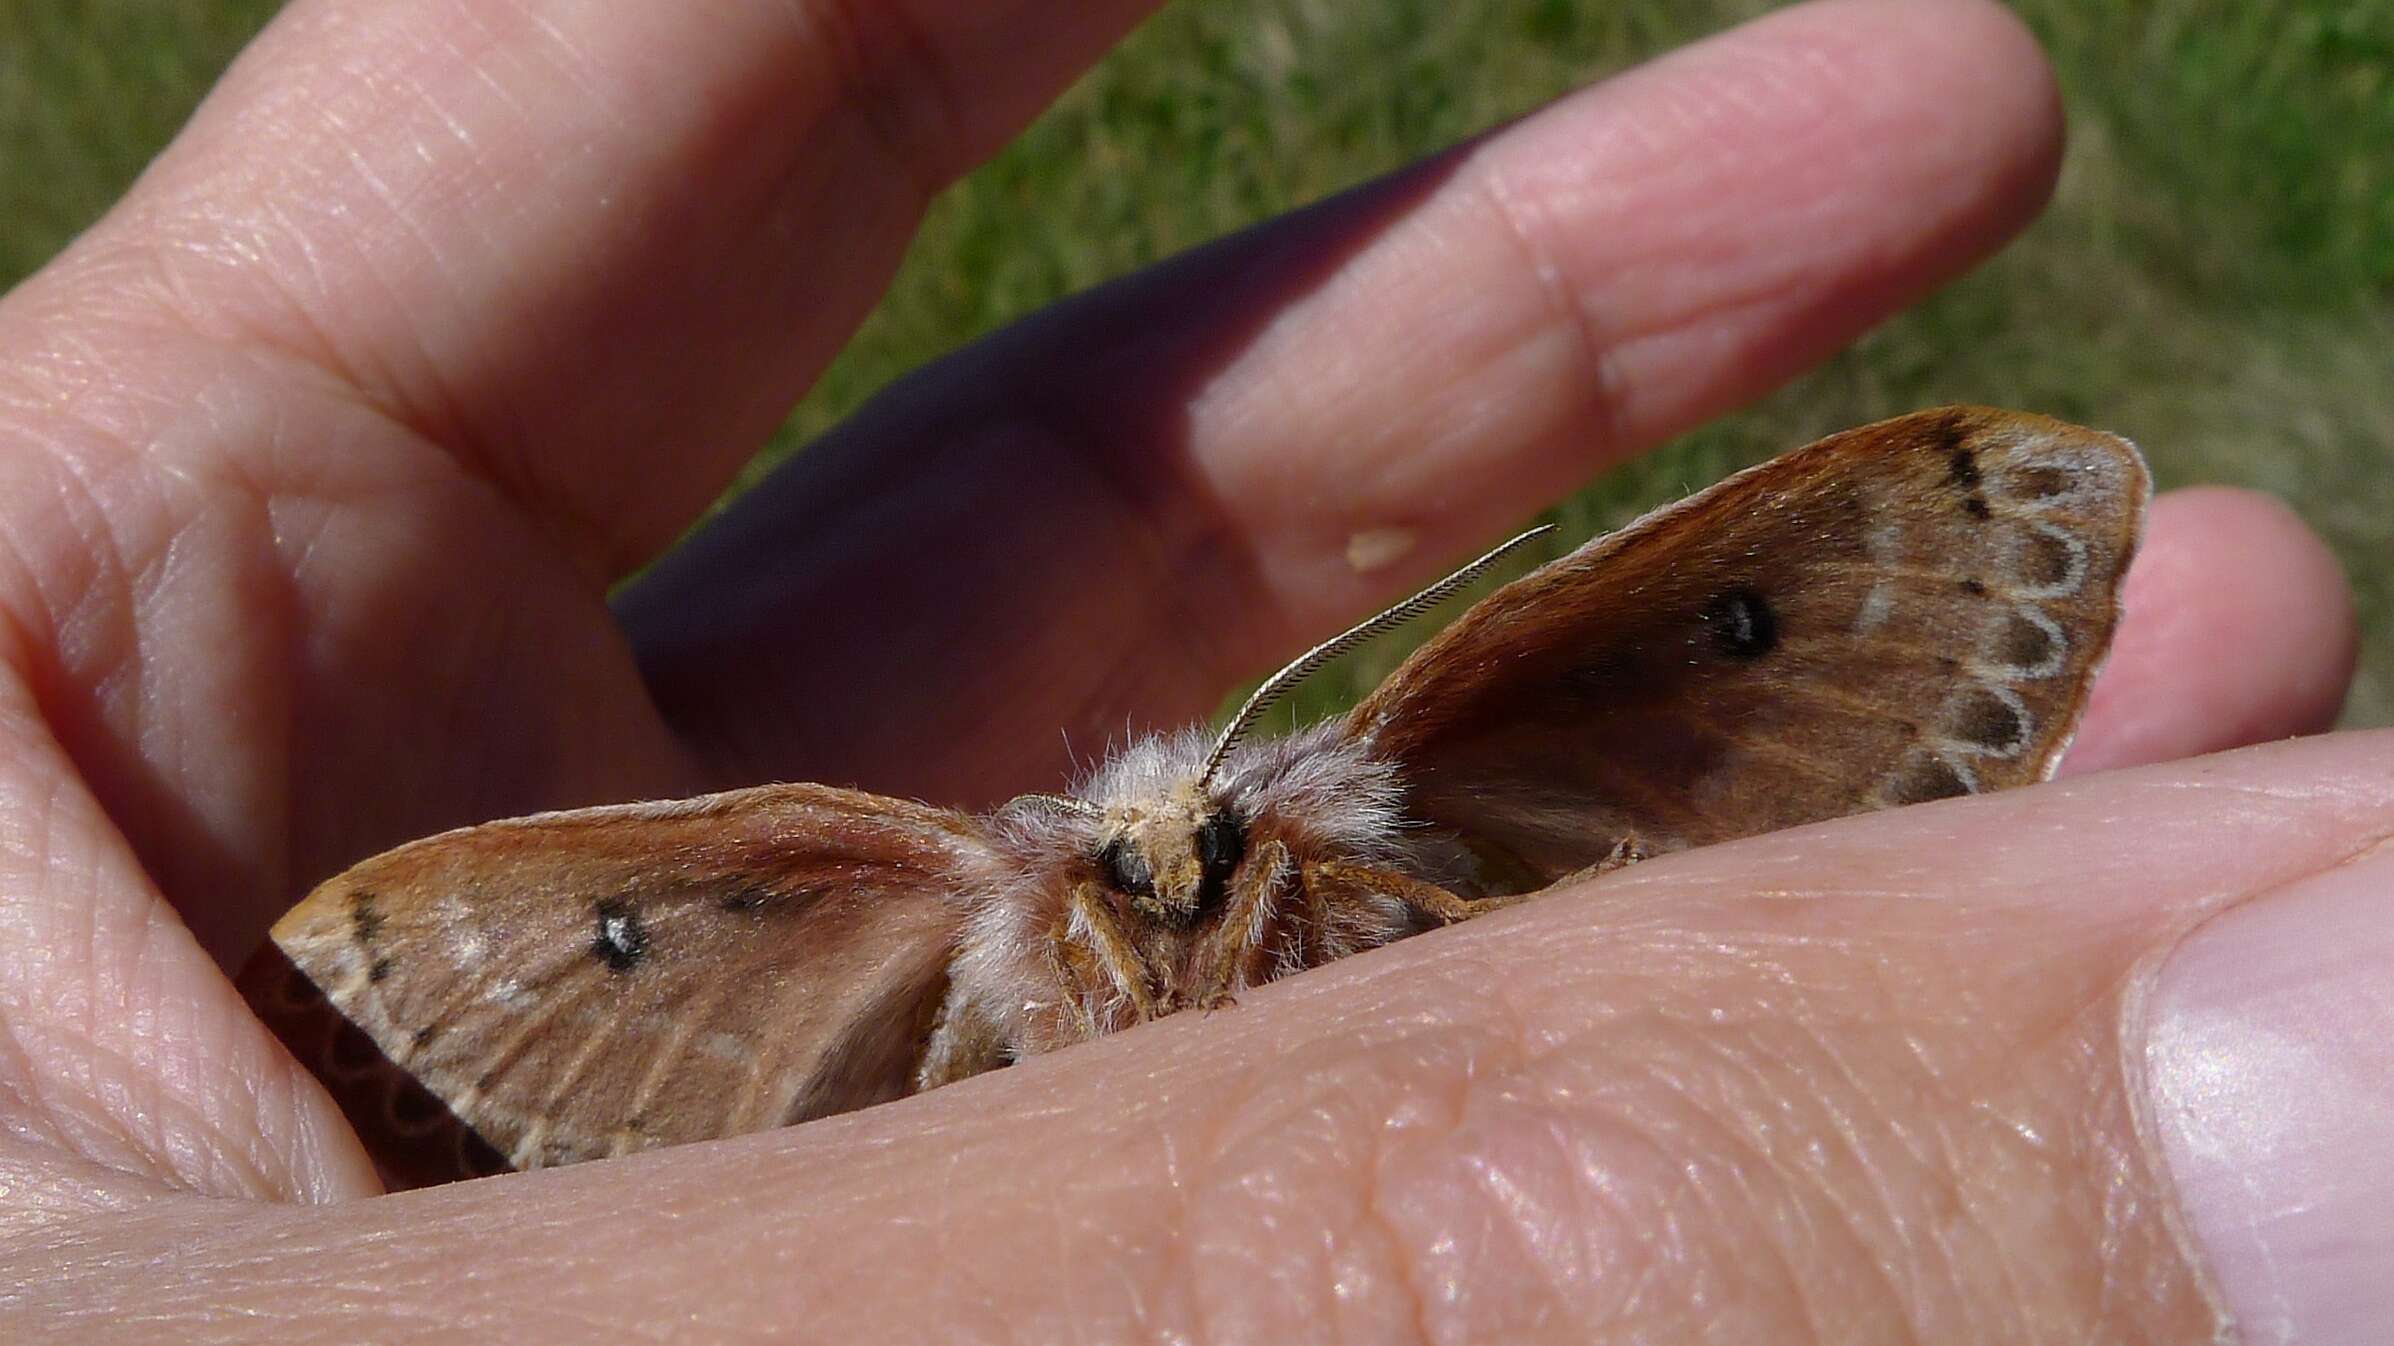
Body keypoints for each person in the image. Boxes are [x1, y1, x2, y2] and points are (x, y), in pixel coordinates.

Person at [0, 0, 2373, 1338]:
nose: (1184, 891)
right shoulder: (916, 920)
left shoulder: (1400, 781)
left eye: (1208, 854)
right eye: (1141, 875)